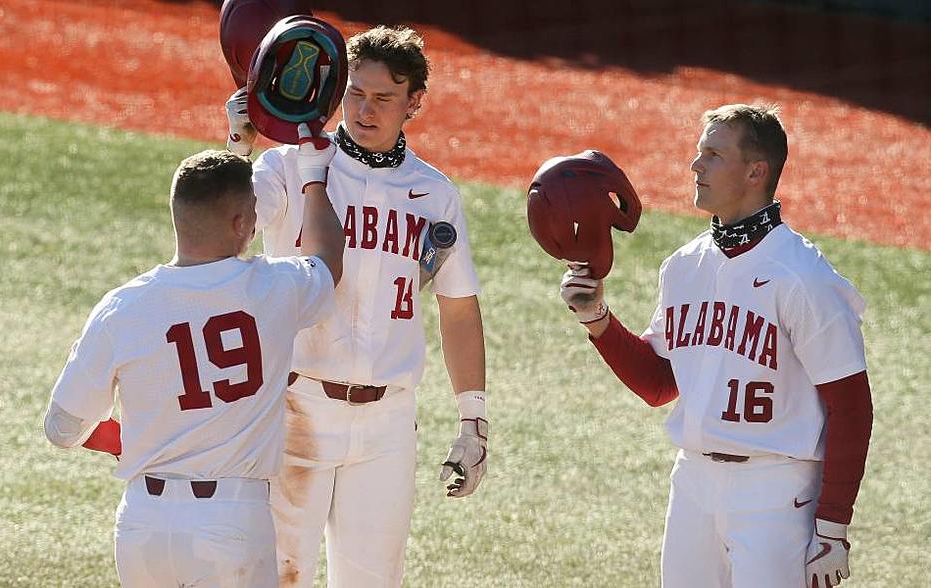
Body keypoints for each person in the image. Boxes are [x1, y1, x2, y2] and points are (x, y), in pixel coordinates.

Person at [560, 104, 872, 588]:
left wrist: (832, 526)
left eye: (712, 154)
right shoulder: (683, 266)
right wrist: (595, 317)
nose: (695, 166)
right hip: (693, 484)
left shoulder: (804, 277)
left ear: (755, 171)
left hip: (777, 492)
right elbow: (661, 383)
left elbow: (851, 406)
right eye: (698, 152)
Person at [225, 25, 487, 587]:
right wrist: (239, 146)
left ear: (415, 102)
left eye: (384, 98)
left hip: (388, 420)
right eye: (355, 94)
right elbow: (222, 235)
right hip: (296, 407)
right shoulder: (289, 167)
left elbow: (459, 306)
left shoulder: (434, 192)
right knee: (274, 576)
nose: (365, 110)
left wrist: (474, 421)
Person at [43, 134, 344, 587]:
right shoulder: (276, 287)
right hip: (232, 523)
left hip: (143, 524)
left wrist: (140, 438)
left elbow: (63, 430)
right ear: (243, 220)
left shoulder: (122, 306)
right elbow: (328, 261)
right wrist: (314, 178)